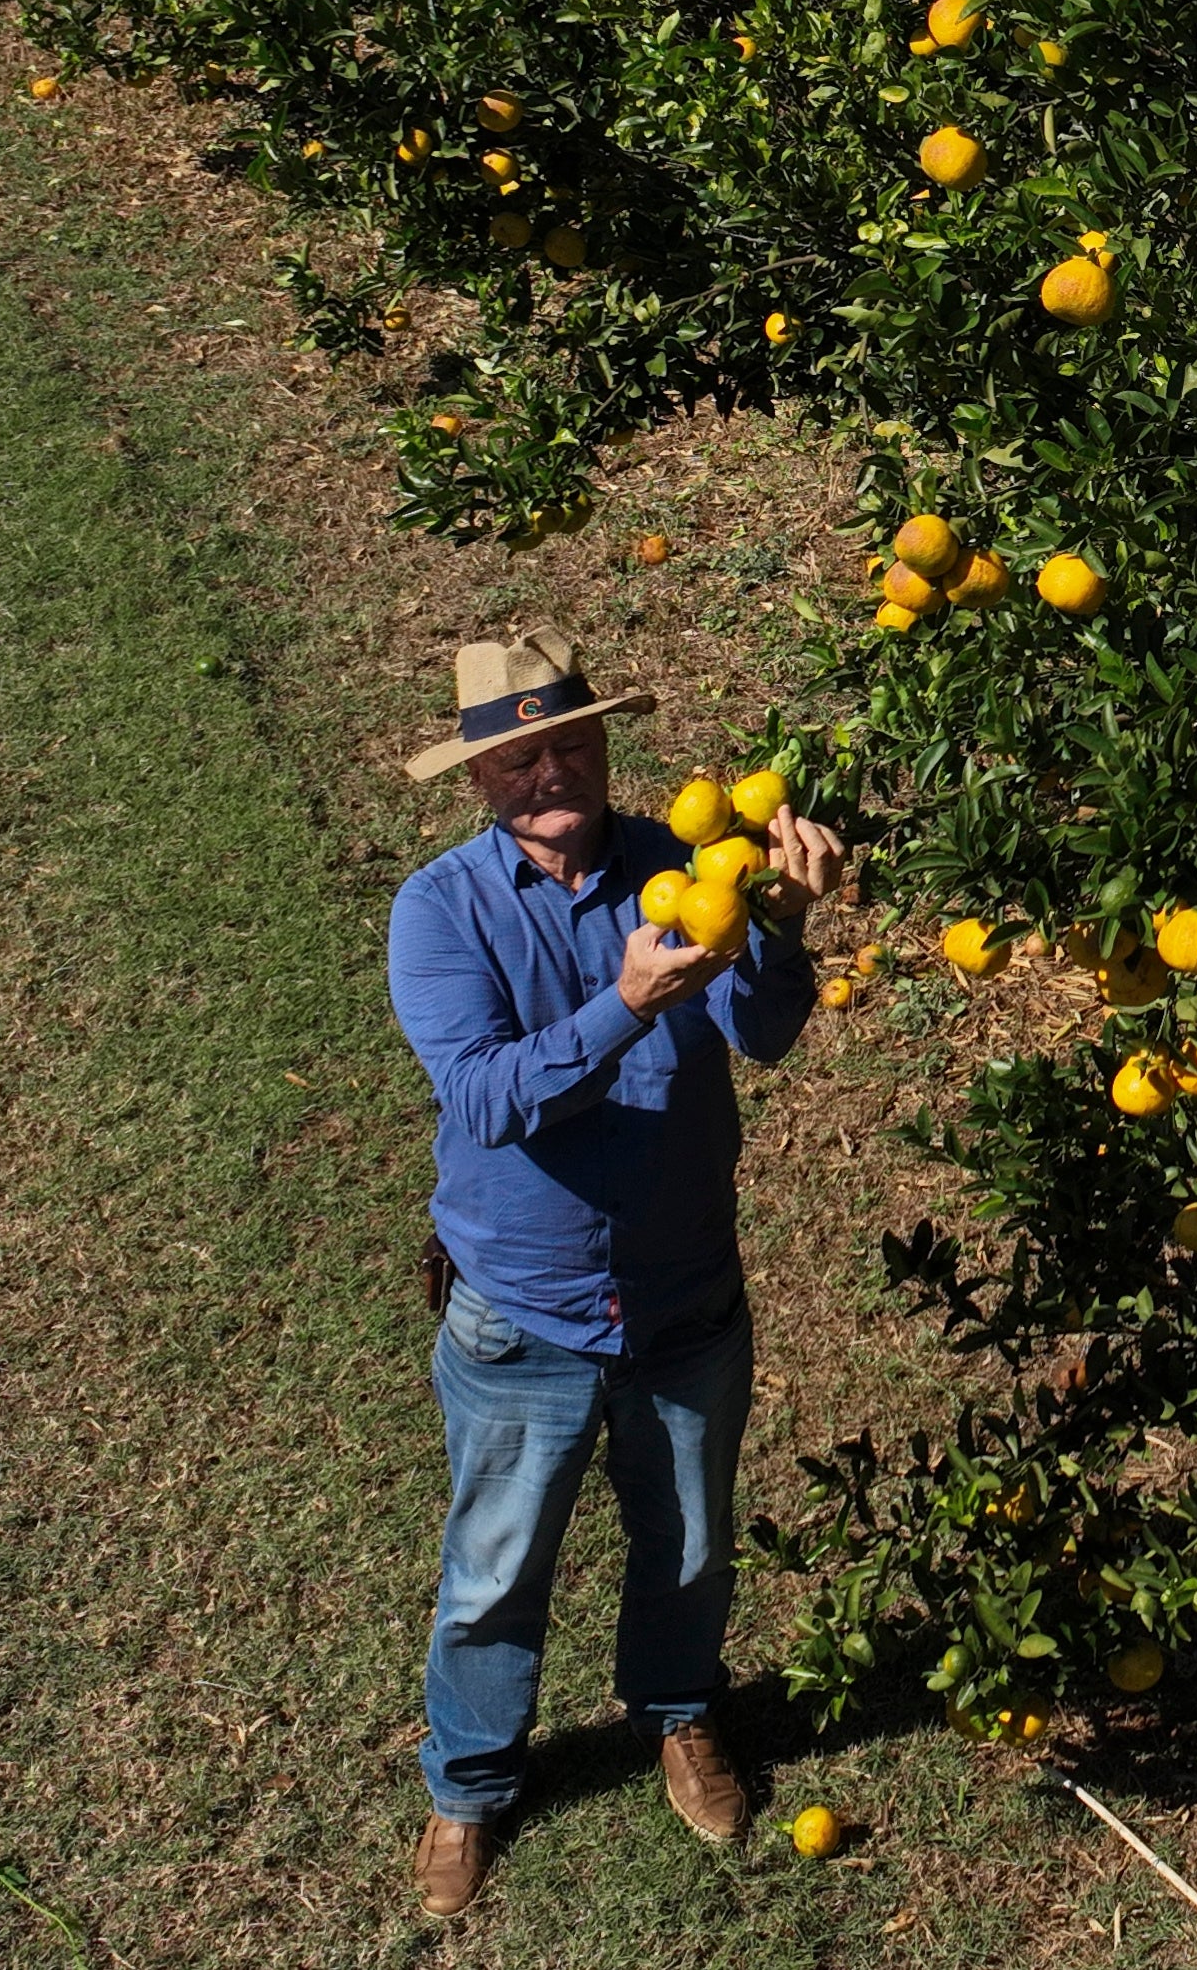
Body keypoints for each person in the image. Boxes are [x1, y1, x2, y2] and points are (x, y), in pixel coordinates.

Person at [382, 627, 851, 1921]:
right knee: (494, 1571)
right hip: (522, 1314)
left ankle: (681, 1716)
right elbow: (483, 1098)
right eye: (520, 759)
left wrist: (785, 925)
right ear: (480, 780)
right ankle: (469, 1786)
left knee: (691, 1546)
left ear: (604, 740)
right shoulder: (441, 912)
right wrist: (626, 1004)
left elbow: (763, 1033)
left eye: (571, 744)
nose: (552, 774)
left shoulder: (688, 864)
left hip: (685, 1294)